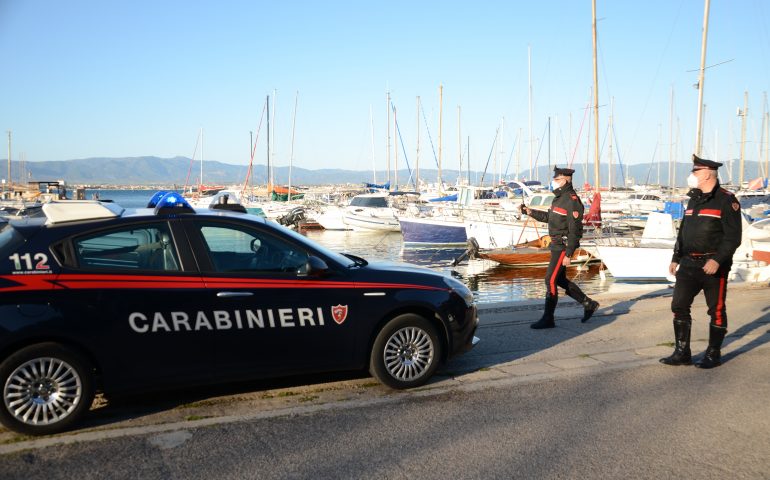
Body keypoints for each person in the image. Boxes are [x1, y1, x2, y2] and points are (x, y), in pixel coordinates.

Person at [661, 155, 742, 369]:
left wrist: (717, 260)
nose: (692, 176)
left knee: (715, 309)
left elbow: (733, 237)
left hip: (713, 266)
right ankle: (682, 352)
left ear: (707, 173)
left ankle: (713, 354)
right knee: (678, 305)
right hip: (688, 264)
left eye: (695, 172)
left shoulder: (727, 200)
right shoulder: (694, 198)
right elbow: (684, 232)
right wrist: (675, 257)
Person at [519, 166, 599, 329]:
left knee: (550, 280)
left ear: (565, 180)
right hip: (555, 245)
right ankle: (588, 303)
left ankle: (548, 319)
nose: (553, 182)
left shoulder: (572, 200)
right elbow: (550, 218)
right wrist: (529, 211)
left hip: (563, 247)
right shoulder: (558, 198)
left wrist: (569, 253)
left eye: (556, 180)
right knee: (560, 279)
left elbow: (575, 230)